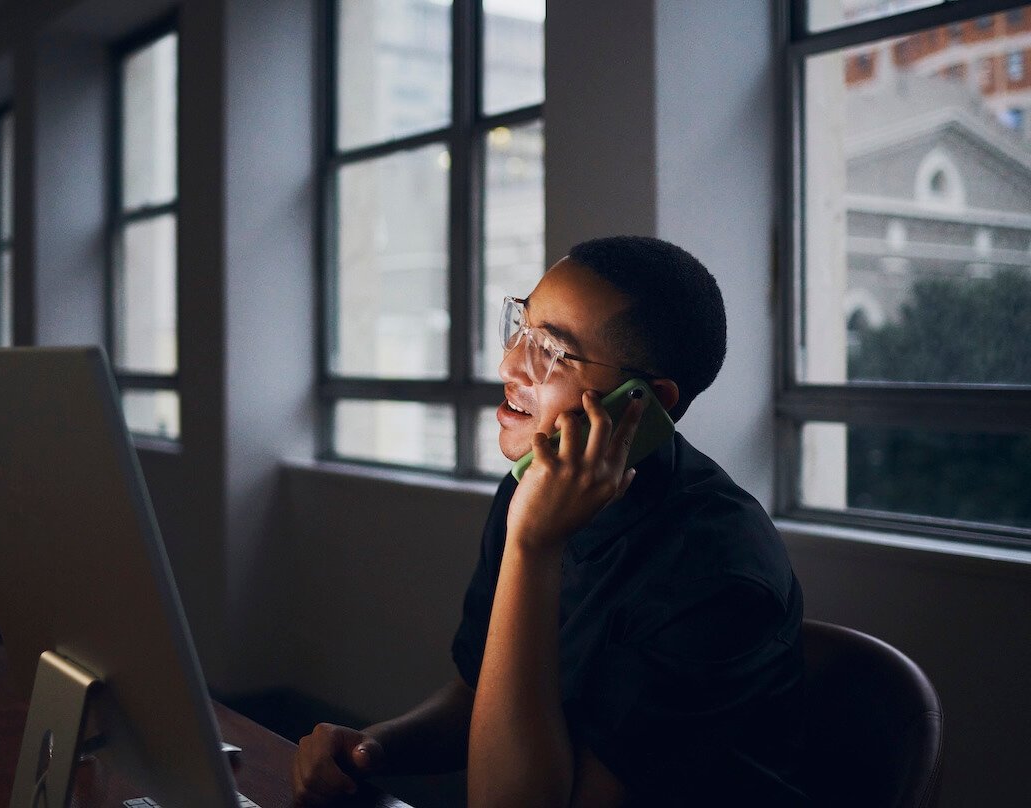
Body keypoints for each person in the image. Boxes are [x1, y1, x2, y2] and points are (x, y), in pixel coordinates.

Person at [291, 236, 808, 806]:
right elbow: (477, 698)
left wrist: (531, 548)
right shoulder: (536, 482)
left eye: (553, 351)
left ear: (642, 402)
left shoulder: (720, 575)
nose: (509, 363)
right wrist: (371, 748)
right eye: (521, 326)